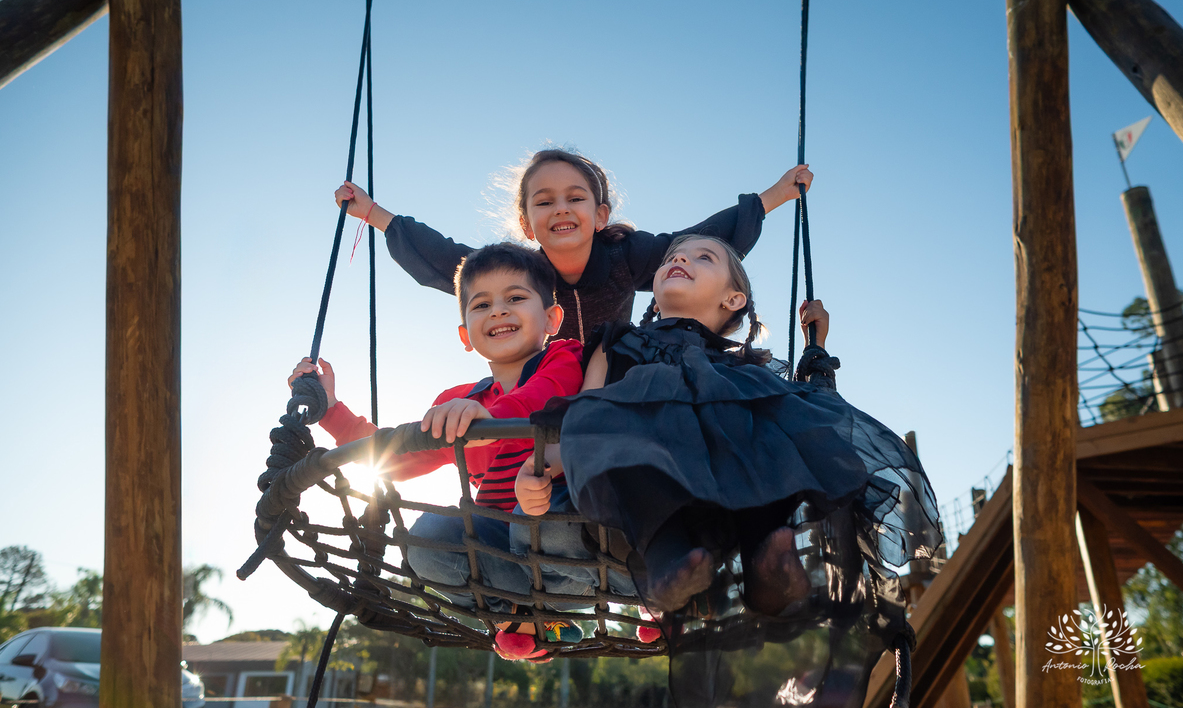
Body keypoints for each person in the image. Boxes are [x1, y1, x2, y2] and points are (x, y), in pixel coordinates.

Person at [526, 235, 942, 706]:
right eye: (671, 258)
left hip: (724, 480)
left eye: (704, 258)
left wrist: (816, 349)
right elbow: (582, 413)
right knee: (633, 468)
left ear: (733, 299)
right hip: (650, 467)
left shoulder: (741, 368)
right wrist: (547, 463)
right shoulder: (616, 341)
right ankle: (672, 565)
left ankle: (768, 554)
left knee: (771, 439)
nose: (679, 258)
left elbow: (807, 412)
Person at [288, 243, 593, 659]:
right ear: (466, 335)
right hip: (497, 561)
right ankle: (522, 619)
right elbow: (396, 458)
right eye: (481, 304)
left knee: (536, 515)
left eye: (516, 298)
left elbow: (540, 400)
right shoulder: (458, 400)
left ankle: (544, 616)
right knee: (425, 536)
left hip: (565, 556)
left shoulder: (566, 358)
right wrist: (331, 412)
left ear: (552, 318)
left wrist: (482, 420)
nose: (499, 311)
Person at [332, 148, 813, 343]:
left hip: (617, 381)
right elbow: (450, 259)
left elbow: (695, 242)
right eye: (545, 202)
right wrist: (373, 214)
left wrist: (774, 196)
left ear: (600, 215)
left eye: (575, 198)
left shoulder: (627, 255)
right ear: (527, 223)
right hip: (549, 393)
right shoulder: (523, 273)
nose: (561, 209)